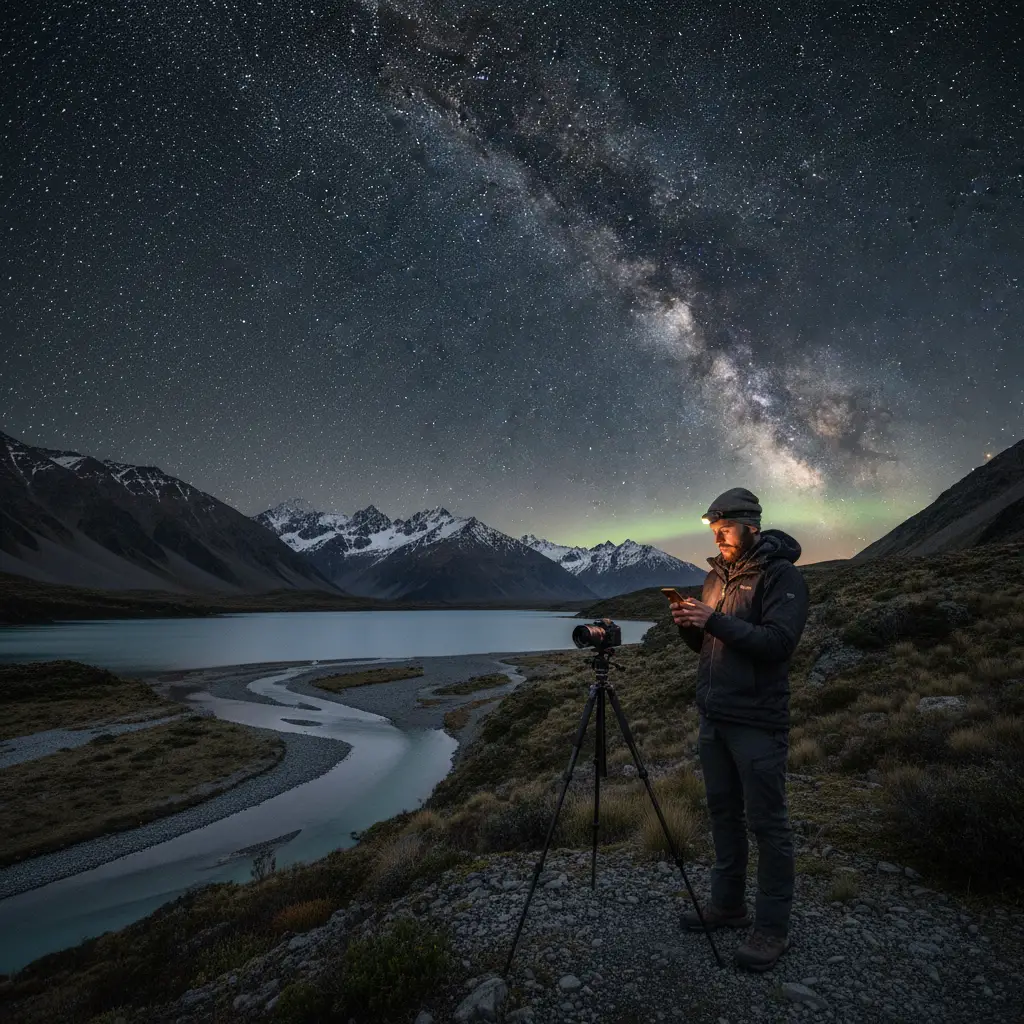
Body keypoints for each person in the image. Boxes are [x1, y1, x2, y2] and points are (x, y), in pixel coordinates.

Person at [670, 486, 809, 972]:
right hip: (715, 716)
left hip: (757, 720)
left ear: (751, 525)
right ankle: (727, 906)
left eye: (725, 529)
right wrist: (692, 624)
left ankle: (772, 929)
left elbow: (776, 643)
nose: (719, 537)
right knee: (722, 814)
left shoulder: (782, 575)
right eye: (713, 530)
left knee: (767, 824)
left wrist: (715, 621)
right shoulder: (717, 576)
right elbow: (712, 649)